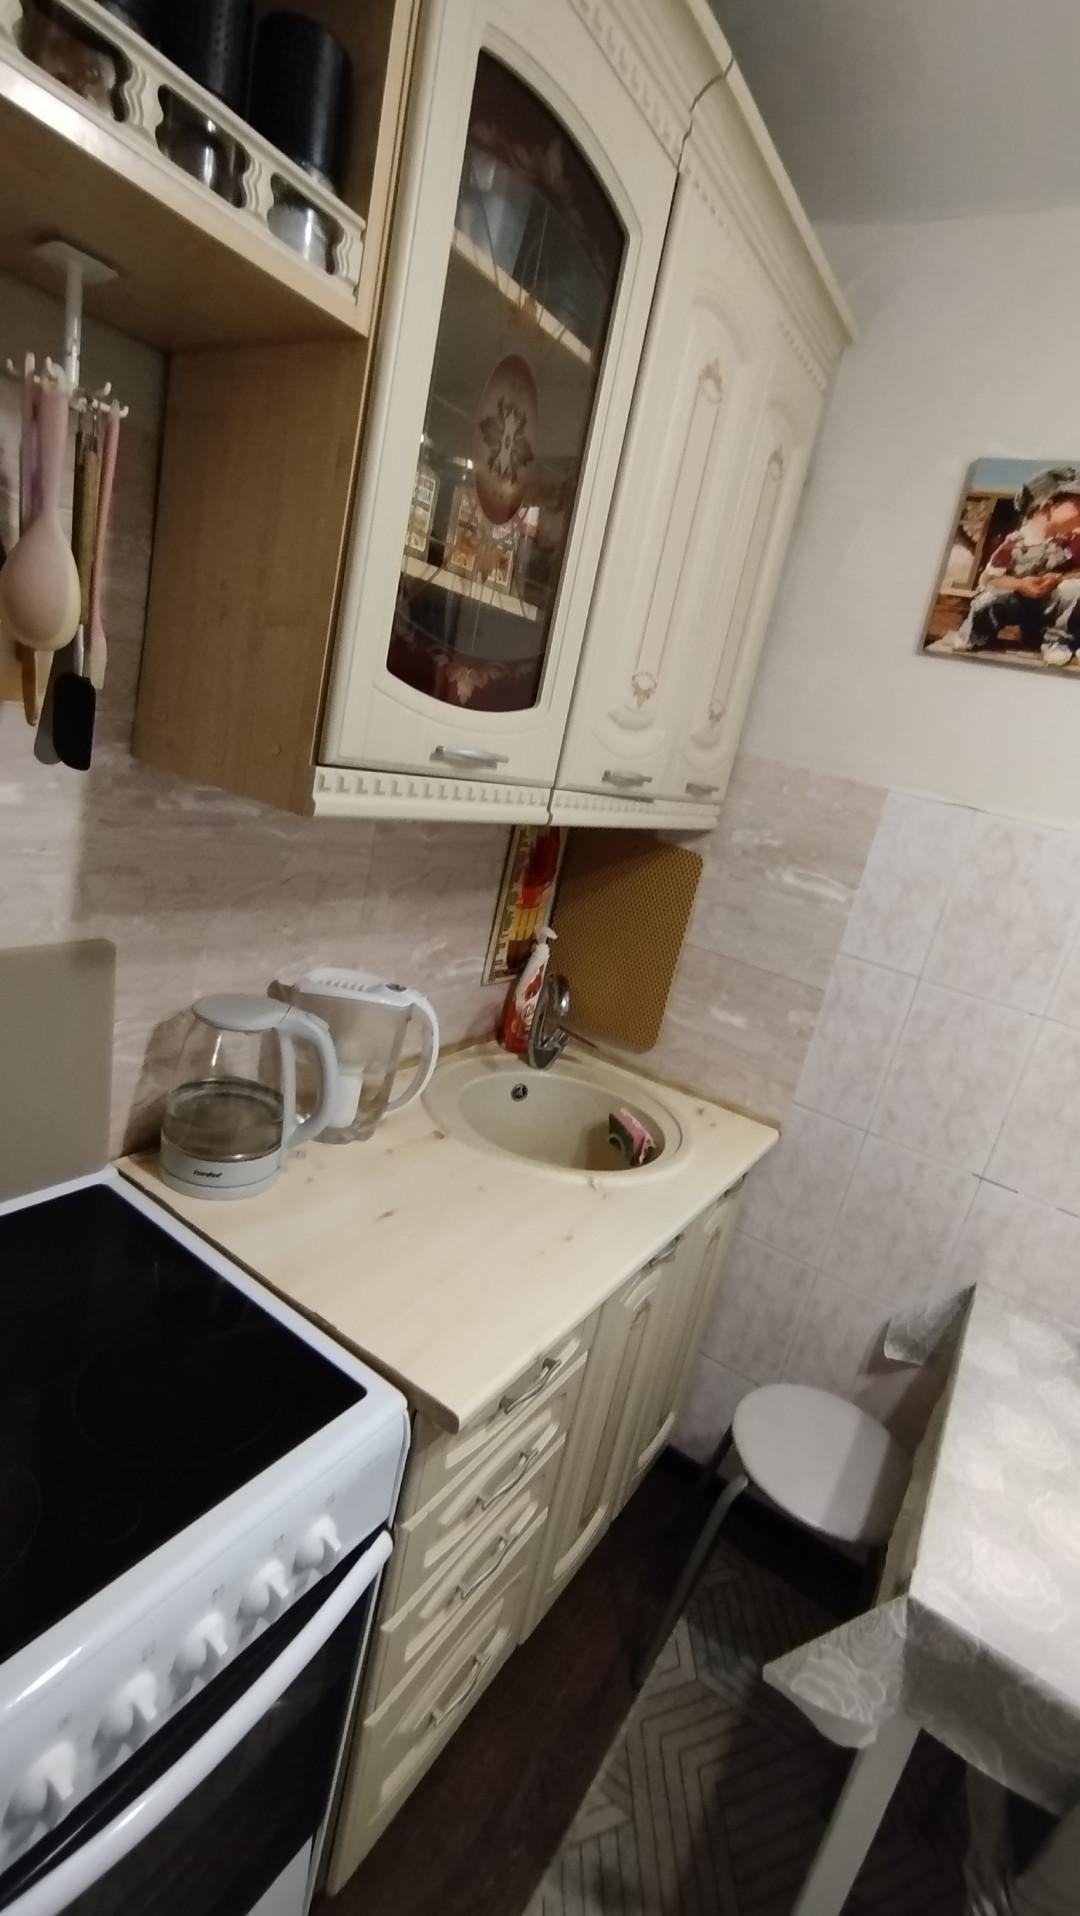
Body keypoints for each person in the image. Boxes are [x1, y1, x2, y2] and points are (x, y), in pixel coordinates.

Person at [950, 465, 1080, 666]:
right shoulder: (1016, 542)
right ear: (1047, 508)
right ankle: (975, 634)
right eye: (1078, 506)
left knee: (1075, 590)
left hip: (1046, 607)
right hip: (1014, 601)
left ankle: (1058, 641)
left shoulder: (1066, 542)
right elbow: (988, 578)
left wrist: (1058, 579)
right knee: (989, 599)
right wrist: (1021, 585)